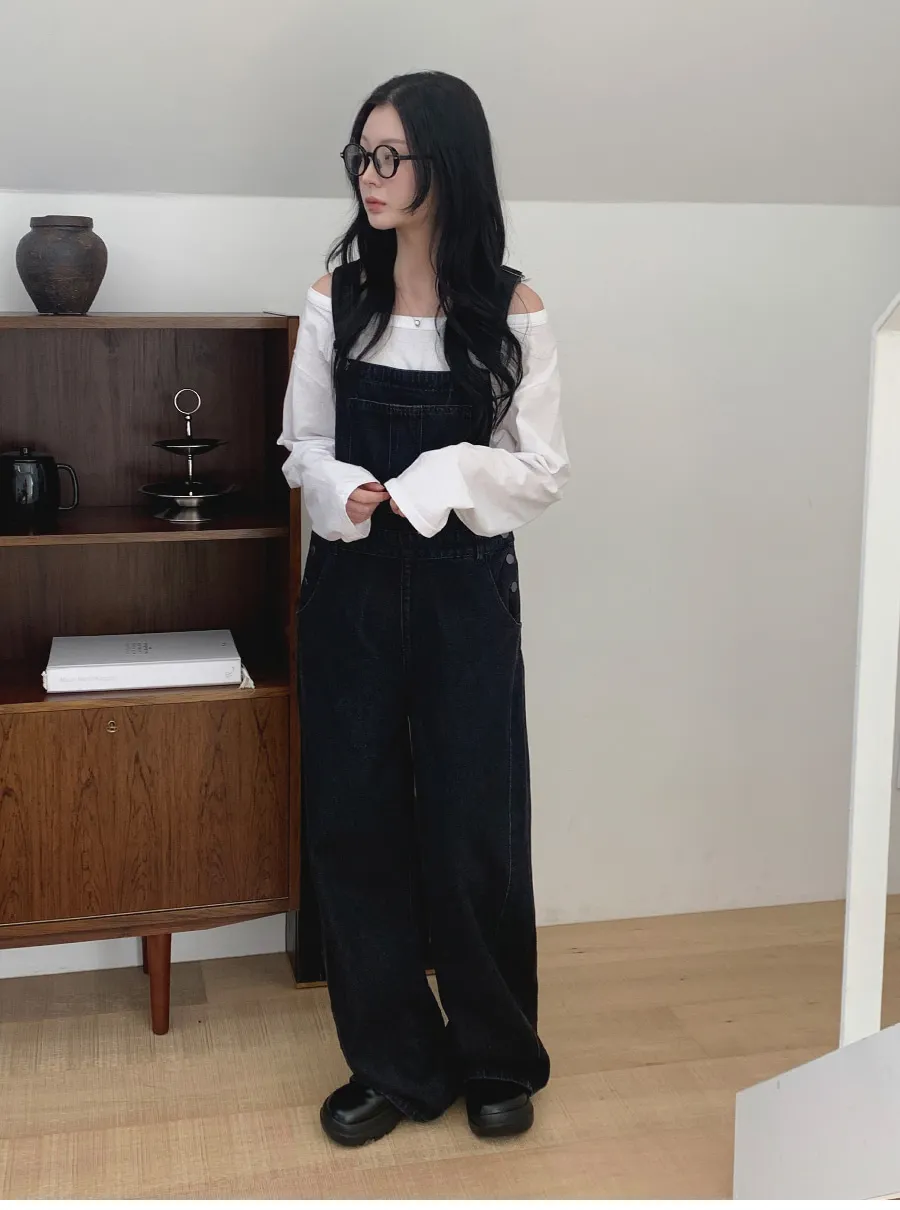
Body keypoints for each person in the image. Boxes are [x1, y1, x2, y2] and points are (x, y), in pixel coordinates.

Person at [278, 70, 569, 1148]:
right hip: (350, 588)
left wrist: (441, 474)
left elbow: (541, 468)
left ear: (447, 165)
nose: (371, 175)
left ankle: (496, 1053)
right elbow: (301, 444)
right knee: (354, 824)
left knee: (473, 826)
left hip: (464, 595)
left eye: (391, 156)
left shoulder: (512, 307)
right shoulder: (336, 297)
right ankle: (393, 1062)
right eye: (362, 154)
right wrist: (337, 489)